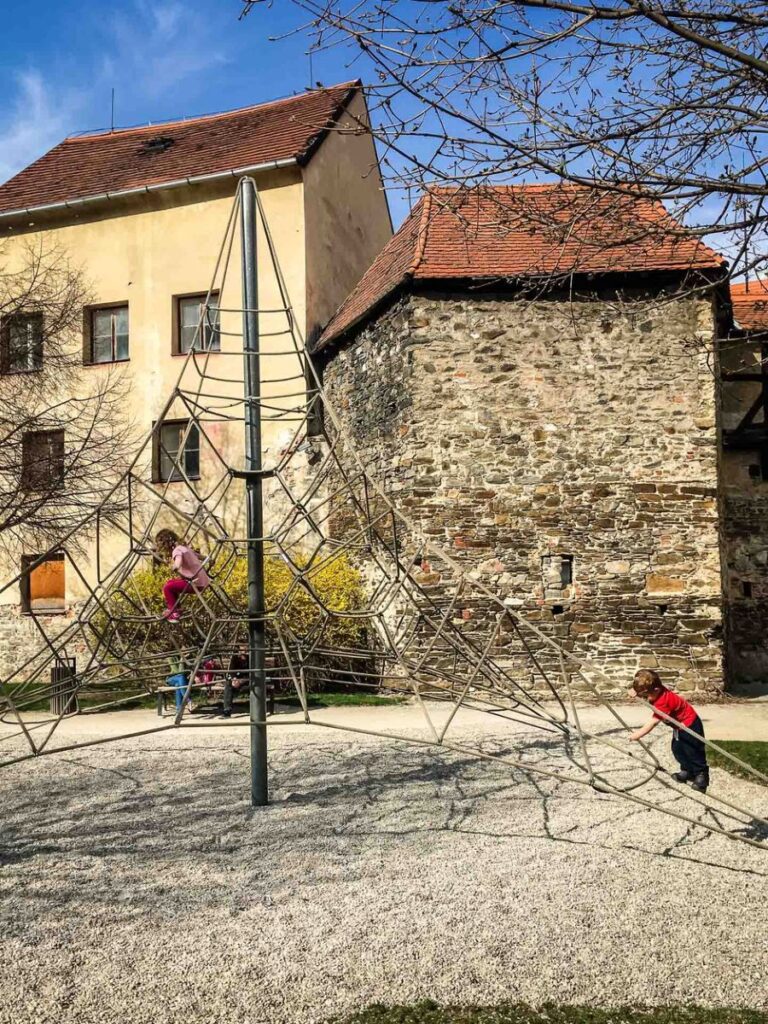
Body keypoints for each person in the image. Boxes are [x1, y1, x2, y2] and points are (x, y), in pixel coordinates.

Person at [629, 668, 709, 792]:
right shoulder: (656, 691)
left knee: (693, 750)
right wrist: (636, 692)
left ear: (656, 689)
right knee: (677, 749)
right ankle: (688, 771)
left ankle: (701, 775)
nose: (647, 698)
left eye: (647, 695)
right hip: (678, 726)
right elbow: (645, 691)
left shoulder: (663, 702)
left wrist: (637, 735)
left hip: (689, 724)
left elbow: (653, 722)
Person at [155, 528, 211, 622]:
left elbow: (178, 560)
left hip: (195, 584)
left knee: (167, 588)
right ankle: (177, 608)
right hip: (203, 581)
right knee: (170, 582)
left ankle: (174, 613)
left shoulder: (176, 551)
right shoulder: (184, 548)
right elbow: (197, 555)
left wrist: (176, 566)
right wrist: (208, 559)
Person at [220, 643, 250, 718]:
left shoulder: (251, 658)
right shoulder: (235, 658)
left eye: (245, 646)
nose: (244, 648)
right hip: (236, 681)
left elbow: (251, 674)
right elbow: (231, 670)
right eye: (242, 646)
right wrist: (234, 679)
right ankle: (227, 710)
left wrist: (241, 681)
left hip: (246, 681)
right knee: (228, 685)